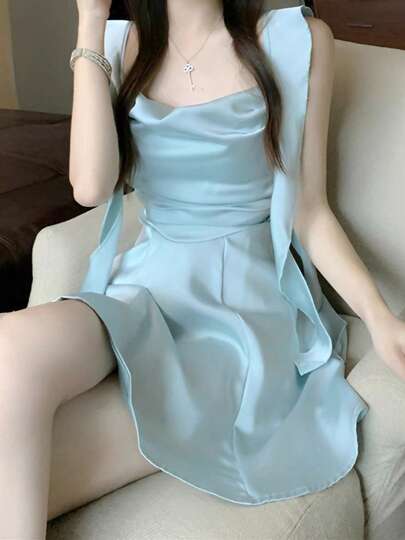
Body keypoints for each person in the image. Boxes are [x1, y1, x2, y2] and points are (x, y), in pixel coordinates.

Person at [2, 1, 405, 538]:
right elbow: (91, 187)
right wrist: (90, 24)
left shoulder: (295, 39)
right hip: (139, 295)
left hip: (236, 322)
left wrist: (379, 317)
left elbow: (308, 210)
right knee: (11, 347)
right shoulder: (116, 46)